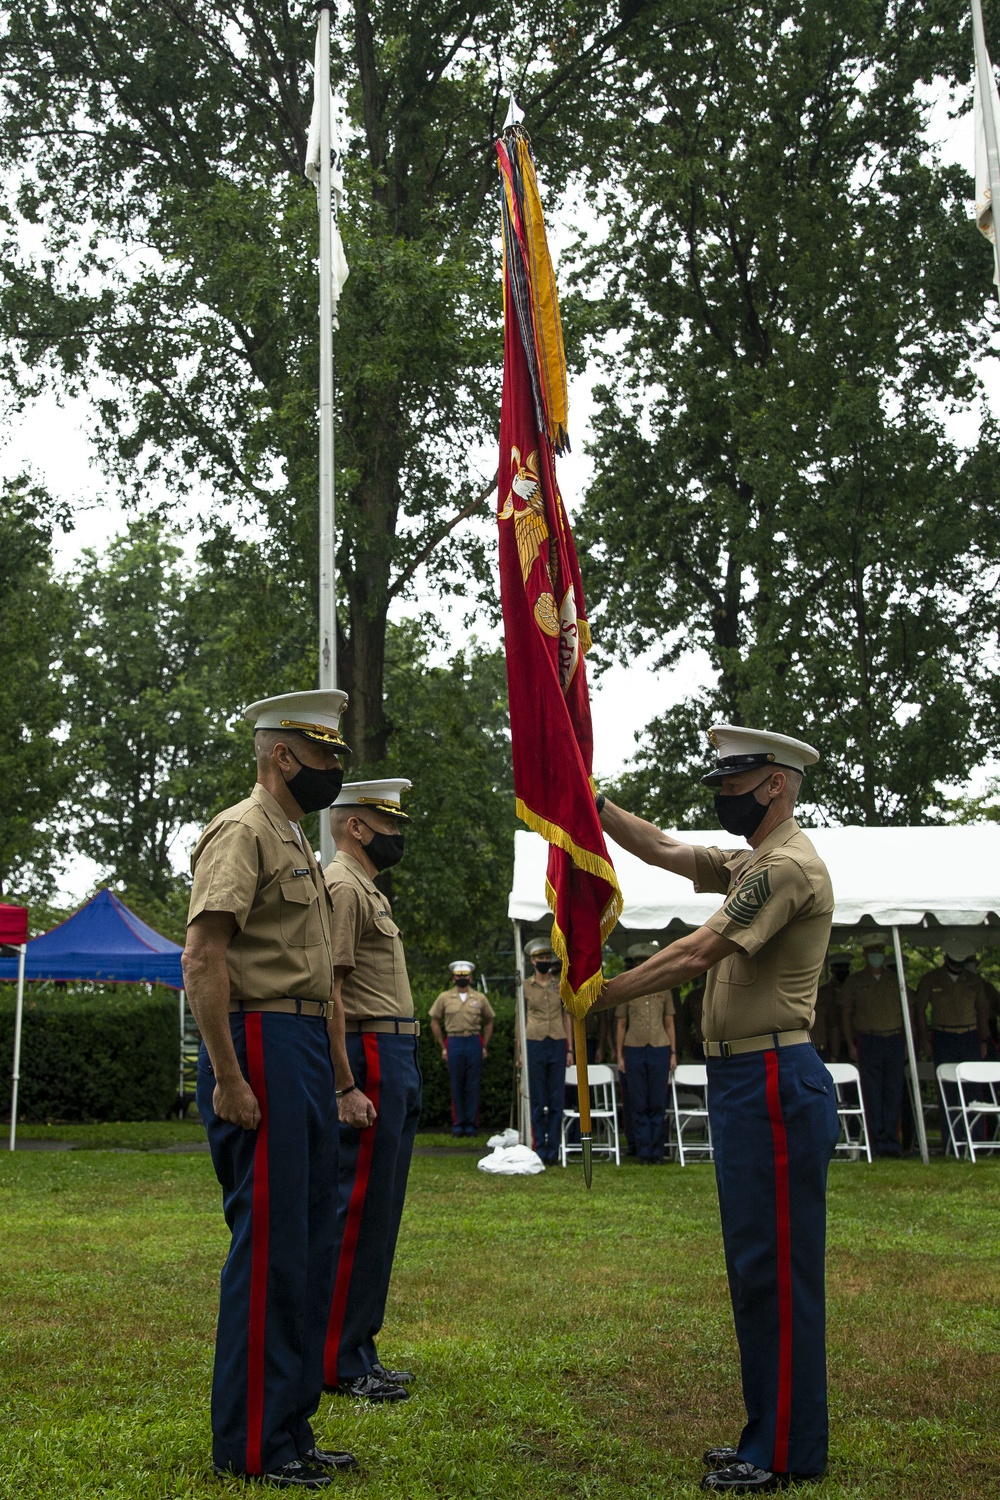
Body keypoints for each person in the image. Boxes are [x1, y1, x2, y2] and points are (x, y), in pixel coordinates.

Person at [591, 724, 839, 1494]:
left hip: (772, 1077)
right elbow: (664, 847)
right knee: (754, 1266)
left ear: (776, 784)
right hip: (744, 1080)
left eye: (736, 781)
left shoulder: (786, 867)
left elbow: (699, 952)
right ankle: (769, 1433)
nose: (722, 794)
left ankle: (784, 1450)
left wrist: (603, 993)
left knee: (776, 1270)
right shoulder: (752, 862)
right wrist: (590, 805)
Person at [182, 689, 369, 1490]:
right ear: (282, 754)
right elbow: (202, 955)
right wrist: (227, 1073)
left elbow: (320, 981)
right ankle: (254, 1443)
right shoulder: (243, 829)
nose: (334, 770)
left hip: (296, 1043)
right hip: (258, 1039)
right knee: (269, 1253)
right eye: (324, 756)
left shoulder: (290, 838)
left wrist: (332, 1076)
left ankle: (290, 1423)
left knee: (306, 1246)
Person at [321, 778, 420, 1404]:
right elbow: (329, 989)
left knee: (379, 1212)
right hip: (369, 1053)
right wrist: (345, 1082)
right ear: (356, 826)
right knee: (356, 1212)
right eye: (387, 822)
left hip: (394, 1051)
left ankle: (359, 1346)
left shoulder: (367, 890)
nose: (397, 834)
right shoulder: (342, 887)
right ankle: (339, 1357)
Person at [916, 940, 991, 1152]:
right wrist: (924, 1039)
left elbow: (982, 1011)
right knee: (947, 1090)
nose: (958, 966)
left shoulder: (974, 981)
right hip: (943, 1036)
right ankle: (952, 1140)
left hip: (970, 1036)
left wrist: (984, 1039)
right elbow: (919, 1010)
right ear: (946, 959)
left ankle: (977, 1141)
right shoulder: (931, 979)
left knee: (974, 1089)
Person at [839, 935, 907, 1157]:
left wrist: (908, 1043)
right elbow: (846, 1014)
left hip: (894, 1040)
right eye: (872, 951)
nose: (877, 954)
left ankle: (891, 1140)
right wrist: (850, 1043)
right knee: (872, 1092)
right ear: (865, 954)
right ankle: (876, 1141)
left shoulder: (895, 980)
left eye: (880, 950)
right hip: (869, 1040)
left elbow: (907, 1014)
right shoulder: (855, 982)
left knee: (893, 1091)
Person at [615, 943, 677, 1164]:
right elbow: (621, 1024)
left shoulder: (664, 988)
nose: (642, 965)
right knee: (639, 1102)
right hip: (634, 1047)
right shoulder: (627, 989)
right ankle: (643, 1151)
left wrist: (673, 1052)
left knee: (658, 1102)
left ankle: (657, 1151)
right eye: (639, 962)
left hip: (660, 1047)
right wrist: (620, 1056)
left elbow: (669, 1022)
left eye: (646, 961)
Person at [520, 937, 573, 1164]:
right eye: (539, 958)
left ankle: (554, 1148)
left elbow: (566, 1015)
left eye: (546, 957)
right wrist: (520, 1052)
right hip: (534, 1041)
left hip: (557, 1041)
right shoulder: (524, 986)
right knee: (537, 1097)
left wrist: (569, 1048)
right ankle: (539, 1146)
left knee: (555, 1098)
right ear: (532, 961)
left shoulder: (559, 984)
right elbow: (519, 1019)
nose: (544, 961)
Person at [429, 963, 495, 1136]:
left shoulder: (479, 998)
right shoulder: (444, 997)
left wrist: (484, 1045)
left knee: (473, 1085)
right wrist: (443, 1046)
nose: (462, 978)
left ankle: (472, 1125)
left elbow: (489, 1021)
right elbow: (434, 1020)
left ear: (471, 978)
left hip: (473, 1040)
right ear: (453, 978)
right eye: (458, 976)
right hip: (454, 1041)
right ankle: (458, 1125)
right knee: (456, 1084)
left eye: (465, 975)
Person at [811, 951, 849, 1062]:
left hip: (852, 1040)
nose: (842, 970)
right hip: (826, 1044)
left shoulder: (854, 989)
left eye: (845, 967)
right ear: (832, 970)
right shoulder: (821, 993)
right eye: (839, 968)